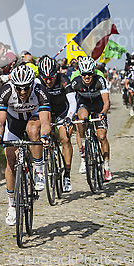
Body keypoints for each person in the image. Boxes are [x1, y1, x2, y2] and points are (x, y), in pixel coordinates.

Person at [0, 64, 51, 226]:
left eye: (26, 88)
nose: (23, 92)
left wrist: (45, 136)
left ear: (32, 84)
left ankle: (38, 170)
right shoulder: (6, 91)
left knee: (33, 130)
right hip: (14, 121)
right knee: (10, 159)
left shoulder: (40, 90)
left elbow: (46, 122)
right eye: (19, 88)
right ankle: (11, 204)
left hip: (34, 117)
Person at [38, 55, 77, 192]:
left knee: (65, 138)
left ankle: (66, 175)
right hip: (46, 111)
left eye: (51, 77)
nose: (48, 81)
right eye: (45, 78)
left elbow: (72, 102)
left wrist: (69, 118)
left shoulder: (63, 79)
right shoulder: (37, 82)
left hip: (62, 110)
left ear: (56, 73)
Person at [71, 56, 112, 180]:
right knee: (82, 118)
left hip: (98, 106)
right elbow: (71, 102)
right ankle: (83, 148)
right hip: (84, 104)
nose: (87, 77)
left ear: (93, 72)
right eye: (84, 74)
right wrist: (72, 113)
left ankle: (106, 166)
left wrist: (103, 113)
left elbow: (106, 101)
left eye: (89, 74)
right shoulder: (76, 82)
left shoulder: (100, 80)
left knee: (102, 136)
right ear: (80, 73)